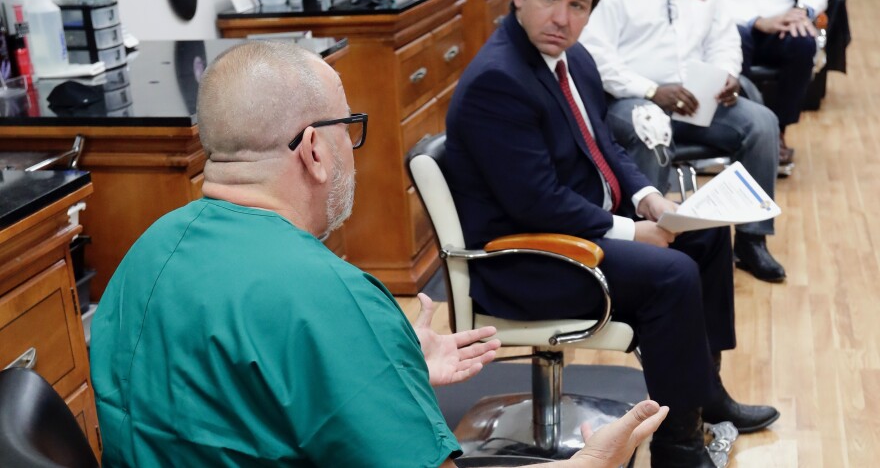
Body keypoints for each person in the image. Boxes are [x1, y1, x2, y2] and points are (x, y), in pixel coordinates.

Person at [89, 41, 663, 468]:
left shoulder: (147, 251)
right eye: (348, 128)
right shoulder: (327, 295)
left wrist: (385, 367)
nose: (351, 149)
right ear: (314, 149)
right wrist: (587, 465)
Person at [445, 0, 779, 467]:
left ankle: (704, 397)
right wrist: (628, 231)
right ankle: (679, 447)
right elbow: (537, 203)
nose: (562, 17)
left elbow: (604, 145)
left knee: (708, 236)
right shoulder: (498, 81)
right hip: (528, 259)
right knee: (671, 274)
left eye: (578, 6)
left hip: (575, 228)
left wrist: (647, 198)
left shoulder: (571, 59)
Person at [580, 0, 785, 282]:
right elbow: (596, 55)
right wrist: (651, 91)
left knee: (763, 123)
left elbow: (724, 40)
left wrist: (726, 77)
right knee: (649, 125)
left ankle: (752, 241)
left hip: (697, 103)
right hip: (632, 103)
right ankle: (648, 245)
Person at [698, 0, 829, 166]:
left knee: (803, 43)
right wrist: (756, 20)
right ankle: (741, 129)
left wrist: (802, 12)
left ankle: (778, 130)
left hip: (782, 24)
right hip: (736, 22)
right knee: (737, 39)